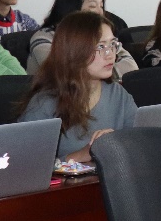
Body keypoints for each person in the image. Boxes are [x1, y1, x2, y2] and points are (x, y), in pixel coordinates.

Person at [18, 11, 137, 162]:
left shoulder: (118, 94)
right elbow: (25, 163)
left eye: (112, 44)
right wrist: (83, 154)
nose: (110, 54)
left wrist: (118, 144)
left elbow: (139, 143)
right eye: (101, 46)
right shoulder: (44, 104)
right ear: (75, 51)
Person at [29, 0, 138, 80]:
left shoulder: (103, 36)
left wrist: (100, 71)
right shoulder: (44, 37)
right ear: (72, 9)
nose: (100, 12)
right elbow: (64, 73)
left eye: (101, 6)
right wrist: (103, 72)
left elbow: (131, 66)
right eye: (93, 6)